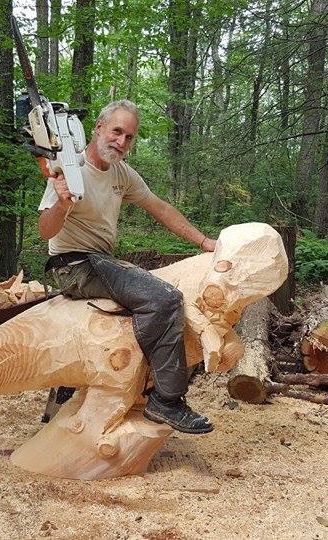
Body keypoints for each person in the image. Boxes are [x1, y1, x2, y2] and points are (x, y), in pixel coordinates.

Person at [37, 99, 217, 434]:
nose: (121, 141)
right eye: (117, 131)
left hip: (100, 261)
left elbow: (158, 207)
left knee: (151, 295)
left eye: (129, 137)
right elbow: (45, 230)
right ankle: (167, 401)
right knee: (164, 299)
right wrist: (62, 202)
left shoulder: (121, 173)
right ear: (99, 128)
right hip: (72, 263)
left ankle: (86, 380)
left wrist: (204, 242)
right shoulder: (68, 168)